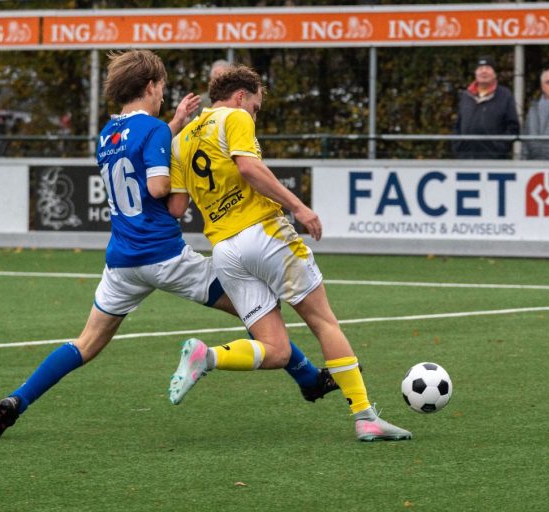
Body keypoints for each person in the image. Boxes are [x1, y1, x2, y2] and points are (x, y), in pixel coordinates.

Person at [0, 51, 336, 439]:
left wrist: (175, 125)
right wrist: (177, 149)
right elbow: (158, 187)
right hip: (165, 256)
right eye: (162, 87)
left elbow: (141, 147)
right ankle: (308, 378)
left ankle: (18, 400)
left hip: (122, 261)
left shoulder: (108, 134)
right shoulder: (157, 132)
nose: (164, 95)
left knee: (86, 343)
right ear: (150, 86)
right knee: (258, 308)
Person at [166, 65, 411, 442]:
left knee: (277, 350)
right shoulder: (234, 116)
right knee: (324, 322)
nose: (255, 114)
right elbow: (248, 167)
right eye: (257, 107)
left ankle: (207, 356)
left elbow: (176, 207)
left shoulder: (180, 141)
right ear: (241, 96)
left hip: (225, 250)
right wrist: (299, 207)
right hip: (264, 234)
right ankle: (365, 417)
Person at [453, 56, 520, 159]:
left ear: (495, 74)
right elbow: (457, 125)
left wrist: (500, 147)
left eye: (488, 68)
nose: (484, 71)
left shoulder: (505, 95)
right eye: (480, 68)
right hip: (465, 158)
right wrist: (458, 146)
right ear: (475, 73)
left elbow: (513, 127)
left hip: (494, 160)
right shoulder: (466, 96)